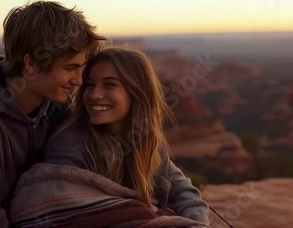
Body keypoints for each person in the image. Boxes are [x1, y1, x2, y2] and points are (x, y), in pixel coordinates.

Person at [0, 0, 106, 228]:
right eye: (69, 68)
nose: (78, 80)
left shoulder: (60, 111)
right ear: (31, 64)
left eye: (81, 68)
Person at [41, 46, 210, 225]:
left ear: (136, 92)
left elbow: (185, 192)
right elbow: (69, 218)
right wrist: (157, 218)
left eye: (110, 85)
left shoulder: (147, 142)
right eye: (89, 85)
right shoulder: (70, 147)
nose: (95, 95)